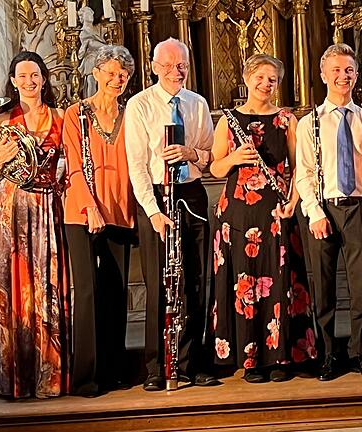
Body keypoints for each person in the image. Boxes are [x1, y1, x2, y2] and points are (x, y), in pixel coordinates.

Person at [211, 54, 317, 383]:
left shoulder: (287, 119)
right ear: (246, 78)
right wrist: (232, 158)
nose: (265, 84)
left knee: (279, 280)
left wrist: (293, 202)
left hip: (276, 211)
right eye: (260, 77)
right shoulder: (228, 120)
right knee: (244, 283)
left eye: (272, 79)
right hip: (238, 215)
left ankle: (279, 358)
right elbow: (214, 168)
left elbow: (301, 167)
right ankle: (250, 360)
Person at [125, 37, 218, 391]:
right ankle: (156, 367)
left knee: (194, 280)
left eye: (181, 65)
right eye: (167, 65)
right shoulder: (139, 105)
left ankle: (193, 363)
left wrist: (191, 153)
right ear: (153, 67)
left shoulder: (197, 103)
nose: (175, 72)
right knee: (159, 285)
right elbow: (136, 166)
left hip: (191, 193)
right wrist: (152, 212)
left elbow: (208, 155)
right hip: (155, 197)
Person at [296, 43, 362, 381]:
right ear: (323, 76)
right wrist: (314, 211)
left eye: (348, 70)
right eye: (335, 70)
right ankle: (328, 355)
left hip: (358, 208)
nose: (342, 76)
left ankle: (361, 352)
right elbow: (303, 171)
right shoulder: (310, 123)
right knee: (323, 287)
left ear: (356, 74)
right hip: (323, 209)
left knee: (361, 285)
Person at [0, 51, 70, 398]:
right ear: (13, 80)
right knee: (13, 292)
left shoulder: (61, 117)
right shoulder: (3, 118)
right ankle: (14, 380)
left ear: (44, 79)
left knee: (46, 289)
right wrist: (2, 157)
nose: (29, 82)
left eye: (35, 75)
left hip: (47, 207)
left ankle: (48, 378)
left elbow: (69, 165)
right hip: (10, 210)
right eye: (22, 76)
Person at [62, 45, 136, 396]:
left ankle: (113, 369)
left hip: (121, 210)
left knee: (115, 293)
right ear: (95, 73)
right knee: (89, 291)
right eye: (110, 72)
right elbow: (74, 165)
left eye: (122, 74)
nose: (116, 79)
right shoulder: (75, 114)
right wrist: (90, 206)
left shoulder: (131, 113)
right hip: (81, 211)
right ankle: (86, 376)